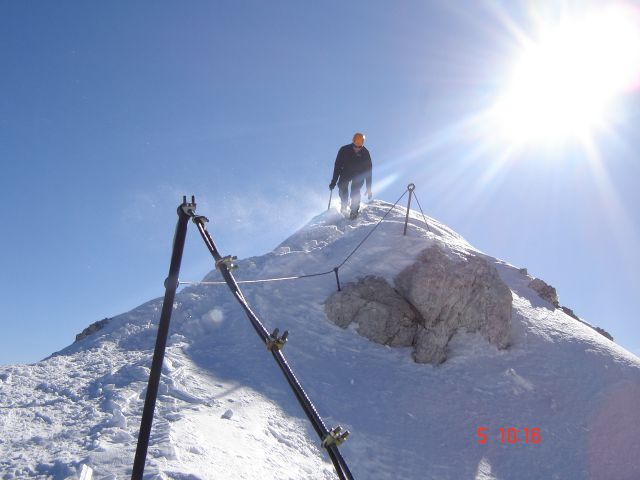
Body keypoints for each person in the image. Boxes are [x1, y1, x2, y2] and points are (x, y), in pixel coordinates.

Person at [329, 132, 373, 219]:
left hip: (359, 174)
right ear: (352, 143)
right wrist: (333, 182)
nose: (357, 148)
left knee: (355, 190)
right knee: (342, 185)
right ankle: (344, 205)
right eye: (355, 146)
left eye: (359, 147)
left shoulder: (365, 153)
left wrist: (368, 188)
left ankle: (354, 211)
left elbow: (368, 171)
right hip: (346, 172)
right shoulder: (344, 150)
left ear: (362, 145)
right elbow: (337, 166)